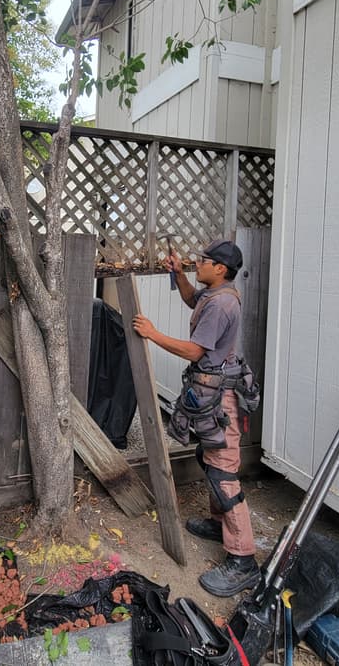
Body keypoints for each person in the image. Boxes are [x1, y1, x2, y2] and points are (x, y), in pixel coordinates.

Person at [131, 239, 261, 597]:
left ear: (220, 269)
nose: (197, 264)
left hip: (221, 401)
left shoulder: (220, 305)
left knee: (223, 472)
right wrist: (180, 276)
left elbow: (194, 350)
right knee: (209, 460)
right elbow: (192, 300)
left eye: (203, 261)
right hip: (210, 394)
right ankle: (220, 524)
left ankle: (243, 560)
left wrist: (153, 334)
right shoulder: (214, 295)